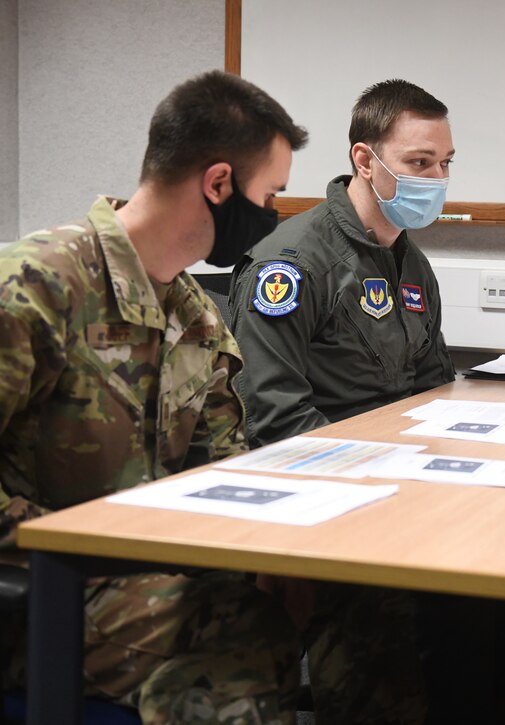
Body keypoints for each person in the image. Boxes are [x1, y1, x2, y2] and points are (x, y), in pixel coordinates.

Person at [0, 70, 308, 723]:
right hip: (42, 589)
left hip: (146, 576)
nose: (272, 214)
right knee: (245, 659)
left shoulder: (197, 317)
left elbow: (223, 473)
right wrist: (84, 539)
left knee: (315, 611)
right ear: (219, 183)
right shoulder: (40, 283)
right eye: (271, 193)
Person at [228, 78, 455, 448]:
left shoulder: (411, 262)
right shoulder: (291, 267)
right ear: (365, 161)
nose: (439, 179)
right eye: (420, 162)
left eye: (445, 163)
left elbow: (434, 387)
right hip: (327, 467)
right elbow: (273, 415)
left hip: (401, 457)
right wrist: (370, 462)